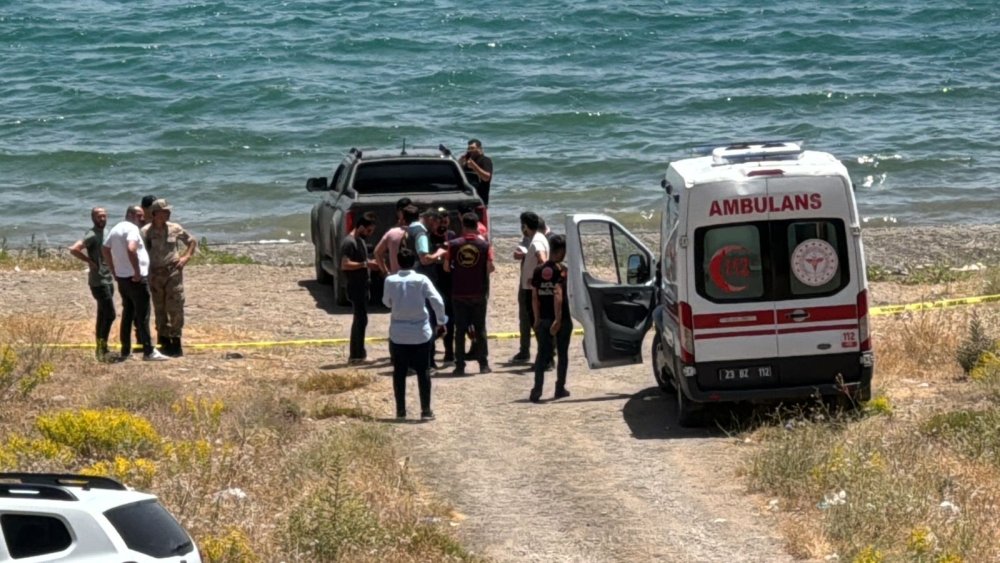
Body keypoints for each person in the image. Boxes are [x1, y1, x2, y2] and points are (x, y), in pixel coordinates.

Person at [382, 248, 447, 421]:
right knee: (423, 371)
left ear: (398, 262)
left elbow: (386, 302)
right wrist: (441, 321)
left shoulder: (390, 280)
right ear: (414, 262)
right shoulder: (421, 279)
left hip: (398, 333)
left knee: (399, 372)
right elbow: (437, 300)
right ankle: (425, 410)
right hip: (420, 332)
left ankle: (400, 410)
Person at [102, 205, 168, 361]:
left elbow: (105, 248)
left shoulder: (117, 228)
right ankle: (148, 351)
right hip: (135, 279)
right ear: (131, 215)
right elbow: (131, 249)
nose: (143, 218)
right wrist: (137, 272)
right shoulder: (132, 229)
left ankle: (125, 350)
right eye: (139, 215)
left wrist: (114, 270)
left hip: (123, 277)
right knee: (143, 315)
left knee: (128, 313)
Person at [141, 199, 197, 357]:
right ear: (155, 213)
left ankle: (176, 342)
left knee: (176, 306)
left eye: (168, 211)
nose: (168, 213)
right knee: (159, 308)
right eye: (164, 211)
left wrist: (186, 257)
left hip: (173, 272)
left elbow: (192, 241)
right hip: (155, 274)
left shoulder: (175, 228)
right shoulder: (145, 231)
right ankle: (163, 341)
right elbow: (140, 252)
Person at [445, 212, 495, 375]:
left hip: (459, 292)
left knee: (459, 331)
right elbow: (490, 268)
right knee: (480, 329)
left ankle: (460, 365)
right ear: (477, 226)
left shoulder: (453, 244)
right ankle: (483, 364)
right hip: (478, 292)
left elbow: (446, 267)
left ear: (463, 226)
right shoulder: (485, 246)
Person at [68, 207, 116, 361]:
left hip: (108, 278)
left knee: (102, 315)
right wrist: (89, 261)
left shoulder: (108, 232)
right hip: (98, 281)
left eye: (104, 216)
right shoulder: (91, 235)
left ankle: (102, 349)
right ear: (93, 218)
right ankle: (102, 349)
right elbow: (74, 249)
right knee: (110, 314)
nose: (102, 219)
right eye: (99, 217)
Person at [529, 235, 572, 402]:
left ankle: (537, 389)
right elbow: (558, 294)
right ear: (561, 251)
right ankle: (559, 388)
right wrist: (558, 320)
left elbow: (534, 296)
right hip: (560, 318)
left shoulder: (538, 270)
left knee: (542, 355)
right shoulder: (562, 270)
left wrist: (537, 318)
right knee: (562, 354)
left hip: (543, 317)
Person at [340, 211, 379, 364]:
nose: (369, 234)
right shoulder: (349, 242)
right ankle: (356, 355)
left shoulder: (360, 240)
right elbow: (345, 264)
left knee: (361, 319)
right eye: (368, 231)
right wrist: (365, 264)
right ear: (361, 227)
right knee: (360, 319)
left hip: (363, 285)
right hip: (355, 286)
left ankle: (358, 353)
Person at [511, 211, 549, 363]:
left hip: (532, 290)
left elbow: (543, 260)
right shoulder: (536, 238)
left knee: (536, 323)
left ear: (525, 226)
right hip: (531, 288)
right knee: (536, 323)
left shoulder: (537, 241)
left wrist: (537, 280)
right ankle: (545, 357)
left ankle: (545, 358)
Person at [428, 208, 457, 364]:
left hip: (448, 282)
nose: (443, 223)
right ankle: (431, 357)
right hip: (433, 281)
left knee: (450, 319)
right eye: (440, 220)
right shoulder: (428, 237)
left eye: (445, 220)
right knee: (432, 318)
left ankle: (449, 353)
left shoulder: (452, 236)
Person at [373, 197, 413, 276]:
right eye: (404, 211)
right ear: (399, 212)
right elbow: (377, 252)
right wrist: (386, 272)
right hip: (398, 276)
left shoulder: (416, 230)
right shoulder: (393, 232)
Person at [458, 139, 494, 205]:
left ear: (479, 148)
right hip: (466, 198)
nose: (470, 150)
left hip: (480, 200)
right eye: (468, 148)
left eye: (472, 148)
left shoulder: (485, 160)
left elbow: (487, 177)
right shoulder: (467, 161)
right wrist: (459, 164)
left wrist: (474, 167)